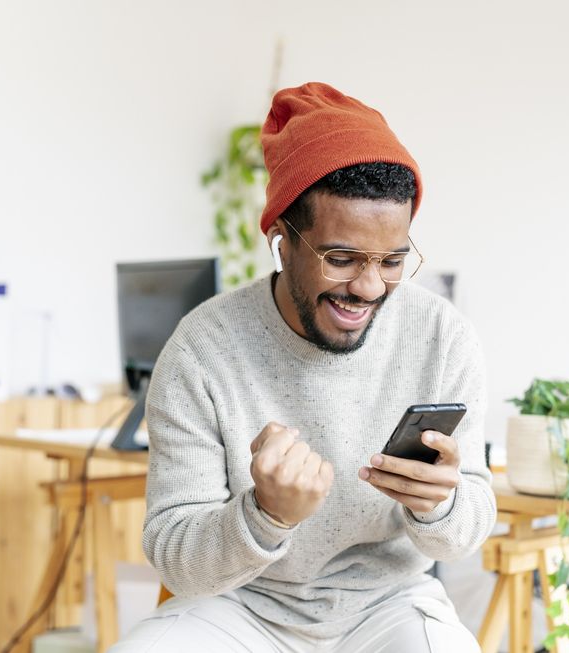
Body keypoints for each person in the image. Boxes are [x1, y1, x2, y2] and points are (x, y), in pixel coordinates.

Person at [110, 82, 495, 652]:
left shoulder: (442, 336)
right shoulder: (201, 349)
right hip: (237, 606)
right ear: (281, 242)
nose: (368, 287)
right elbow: (175, 556)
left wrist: (440, 503)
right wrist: (264, 515)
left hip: (387, 606)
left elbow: (466, 529)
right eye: (340, 259)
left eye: (391, 261)